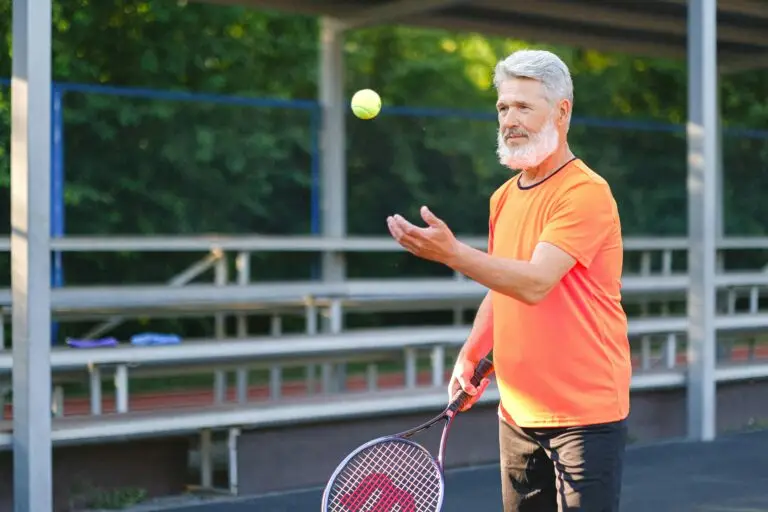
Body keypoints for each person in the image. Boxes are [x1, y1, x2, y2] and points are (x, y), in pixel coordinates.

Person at [386, 49, 631, 512]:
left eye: (523, 107)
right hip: (517, 411)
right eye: (503, 107)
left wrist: (453, 254)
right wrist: (472, 351)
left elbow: (535, 283)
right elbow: (504, 281)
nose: (509, 120)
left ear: (561, 112)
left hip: (584, 414)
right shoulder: (503, 197)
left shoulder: (586, 193)